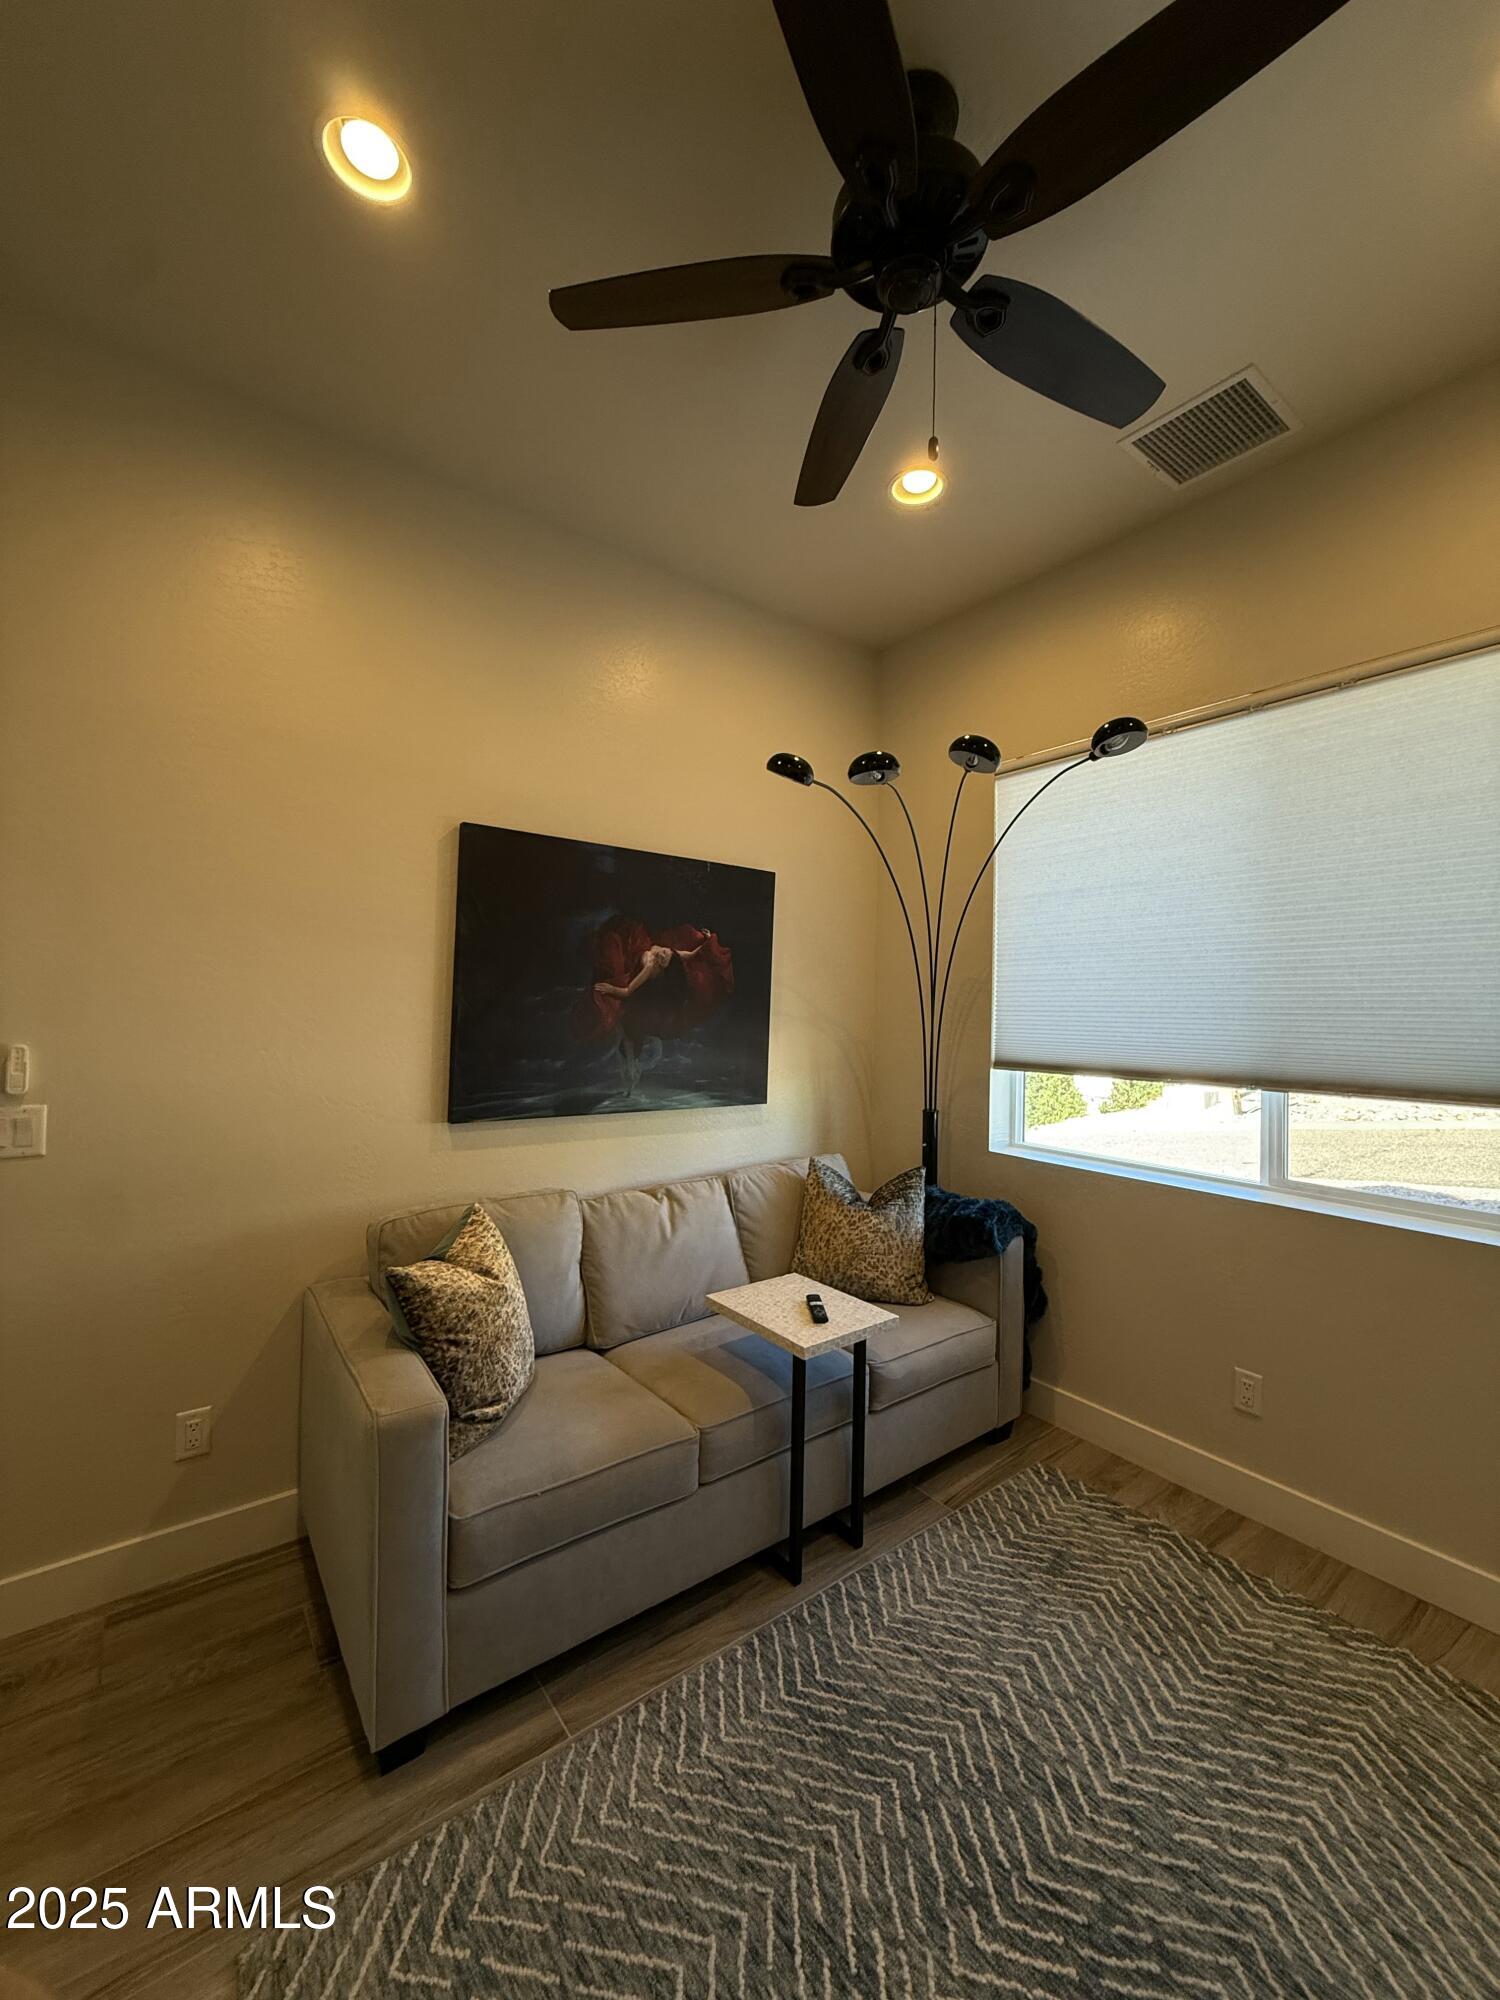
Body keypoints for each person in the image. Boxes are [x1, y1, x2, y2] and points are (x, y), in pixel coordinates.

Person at [572, 918, 734, 1094]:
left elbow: (627, 991)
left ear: (661, 967)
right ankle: (632, 1069)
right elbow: (692, 954)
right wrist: (707, 939)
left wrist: (610, 988)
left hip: (634, 990)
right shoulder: (670, 953)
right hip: (637, 976)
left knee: (628, 1037)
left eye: (663, 958)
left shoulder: (650, 965)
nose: (662, 953)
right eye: (665, 953)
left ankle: (631, 1074)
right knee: (629, 1038)